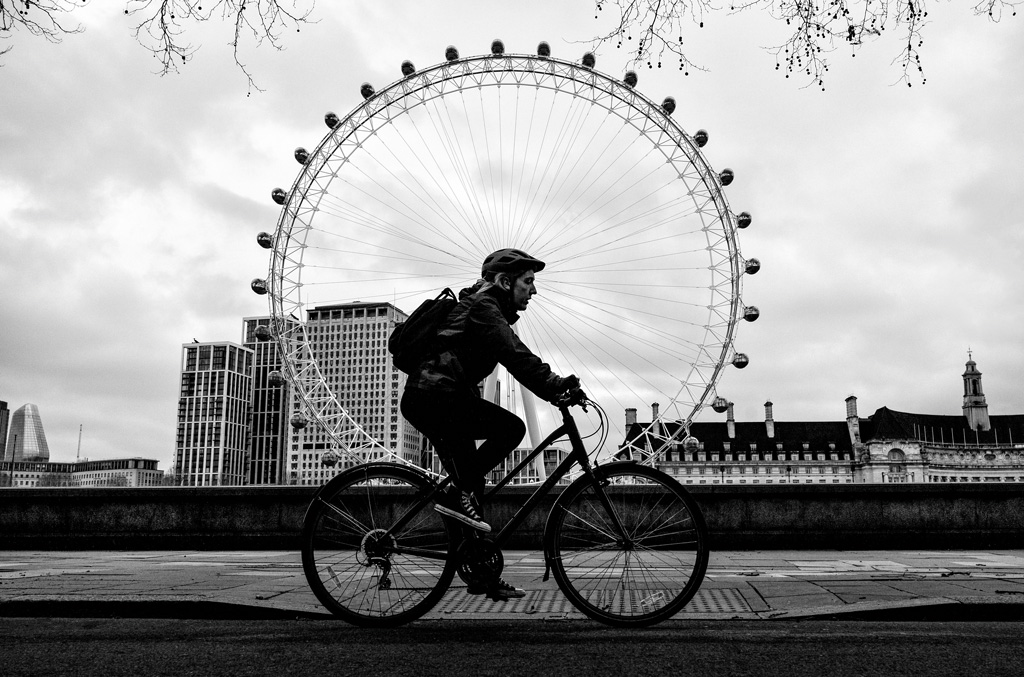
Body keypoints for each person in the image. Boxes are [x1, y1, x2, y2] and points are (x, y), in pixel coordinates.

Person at [400, 248, 579, 600]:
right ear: (503, 281)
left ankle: (479, 571)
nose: (534, 290)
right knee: (511, 429)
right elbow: (514, 354)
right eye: (528, 282)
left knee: (471, 485)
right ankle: (456, 500)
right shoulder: (484, 308)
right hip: (434, 398)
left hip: (441, 398)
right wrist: (555, 386)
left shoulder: (483, 305)